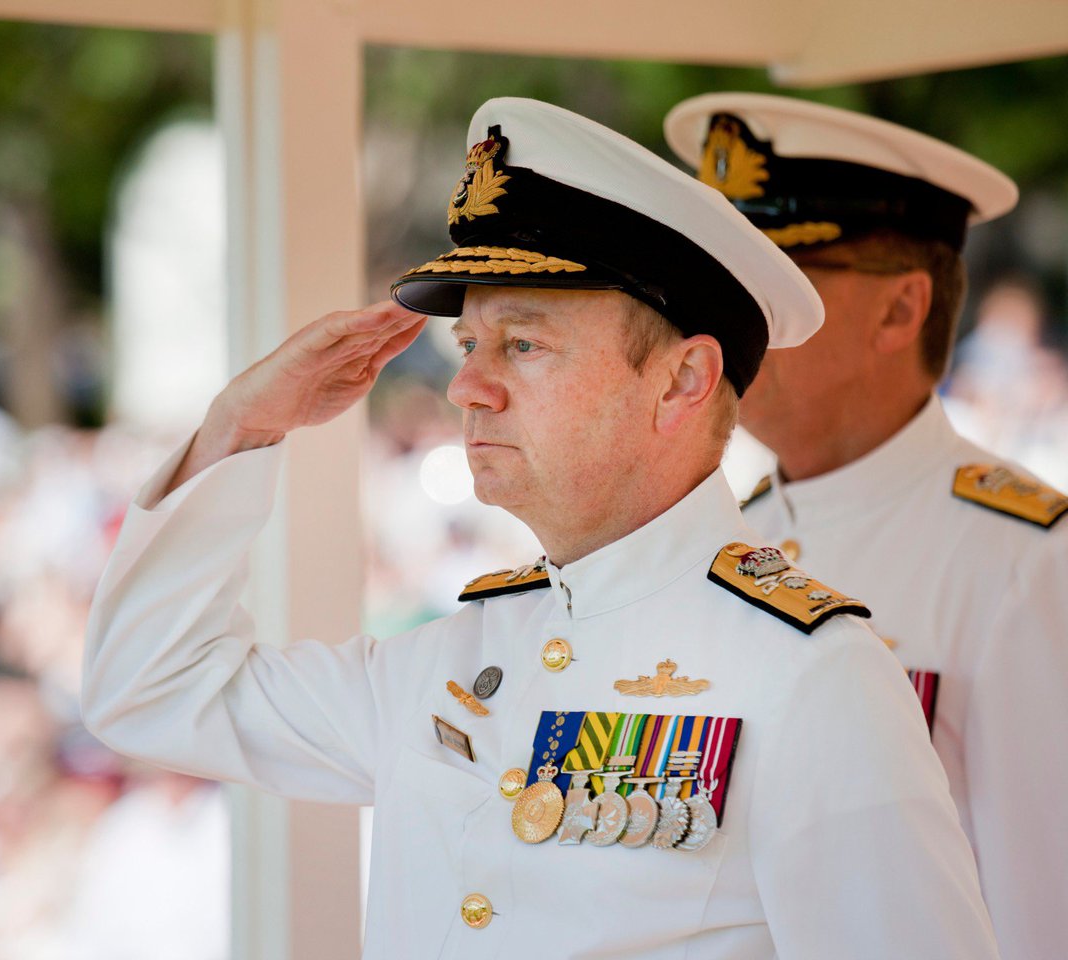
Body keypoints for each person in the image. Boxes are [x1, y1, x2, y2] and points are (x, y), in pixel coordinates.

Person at [83, 97, 998, 959]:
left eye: (524, 344)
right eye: (470, 345)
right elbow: (151, 690)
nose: (467, 387)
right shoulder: (453, 658)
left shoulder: (814, 675)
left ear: (680, 381)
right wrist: (241, 426)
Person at [667, 92, 1068, 959]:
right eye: (729, 286)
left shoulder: (1025, 564)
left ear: (900, 311)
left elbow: (1046, 905)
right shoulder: (721, 539)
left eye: (778, 288)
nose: (733, 323)